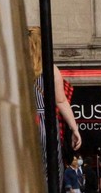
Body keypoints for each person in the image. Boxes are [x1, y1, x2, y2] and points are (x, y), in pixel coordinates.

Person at [28, 26, 83, 179]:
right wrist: (74, 129)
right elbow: (61, 101)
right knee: (50, 170)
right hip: (45, 123)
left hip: (23, 122)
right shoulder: (51, 70)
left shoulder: (17, 69)